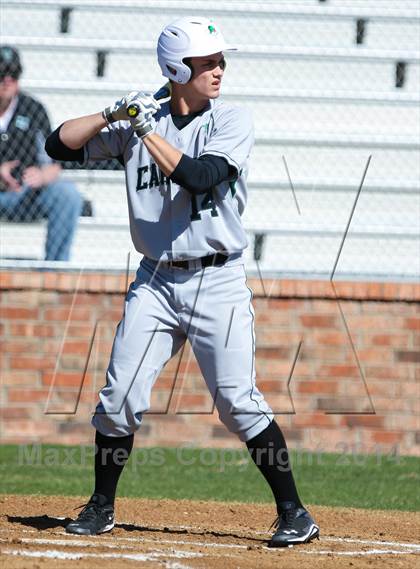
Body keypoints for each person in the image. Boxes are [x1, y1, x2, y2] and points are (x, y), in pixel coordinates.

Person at [46, 17, 319, 547]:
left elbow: (198, 177)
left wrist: (143, 130)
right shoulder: (140, 119)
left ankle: (295, 512)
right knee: (118, 397)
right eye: (206, 63)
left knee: (237, 401)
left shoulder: (231, 119)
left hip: (217, 279)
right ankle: (102, 506)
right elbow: (58, 146)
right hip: (154, 280)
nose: (219, 70)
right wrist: (111, 116)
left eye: (220, 60)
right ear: (176, 69)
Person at [0, 45, 82, 261]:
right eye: (1, 73)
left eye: (13, 74)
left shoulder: (33, 109)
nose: (7, 80)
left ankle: (55, 272)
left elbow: (55, 164)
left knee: (67, 195)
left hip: (25, 196)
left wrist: (41, 175)